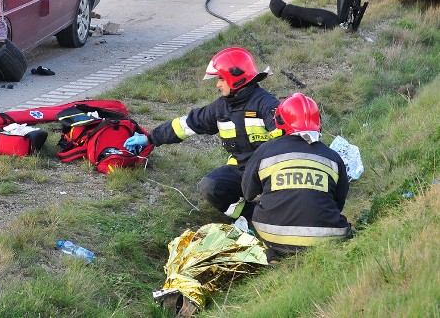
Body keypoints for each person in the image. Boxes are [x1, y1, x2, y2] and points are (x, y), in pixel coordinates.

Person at [124, 47, 281, 221]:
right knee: (210, 186)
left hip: (271, 171)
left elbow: (285, 139)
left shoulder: (267, 104)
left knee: (281, 200)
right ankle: (252, 218)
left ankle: (274, 217)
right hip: (242, 170)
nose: (218, 84)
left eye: (221, 79)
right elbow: (187, 125)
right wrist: (150, 138)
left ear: (235, 78)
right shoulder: (221, 107)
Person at [241, 93, 351, 262]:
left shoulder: (264, 151)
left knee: (254, 219)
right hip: (328, 236)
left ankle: (273, 254)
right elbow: (338, 202)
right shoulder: (333, 158)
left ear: (279, 122)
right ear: (318, 124)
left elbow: (248, 192)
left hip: (272, 234)